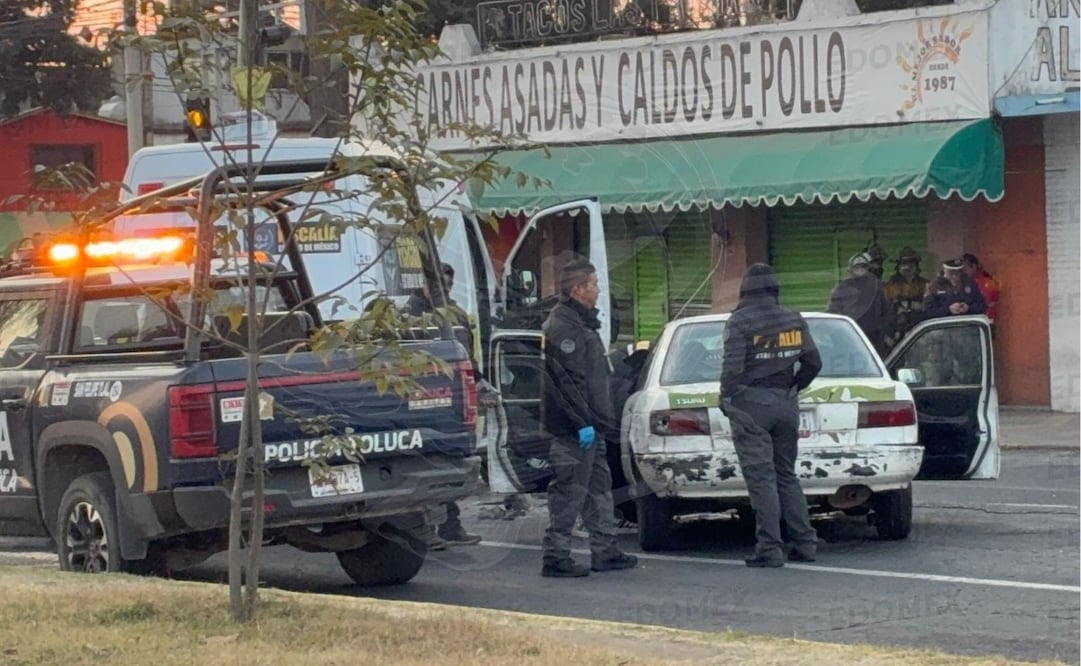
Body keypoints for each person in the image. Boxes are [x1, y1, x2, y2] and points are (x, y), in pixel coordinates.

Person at [540, 258, 638, 578]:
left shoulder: (581, 323)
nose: (598, 289)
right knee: (570, 491)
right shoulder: (563, 326)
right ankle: (556, 556)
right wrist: (581, 422)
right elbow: (565, 382)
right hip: (573, 428)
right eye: (594, 284)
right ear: (578, 288)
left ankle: (605, 550)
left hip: (591, 424)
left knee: (599, 489)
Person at [720, 263, 822, 568]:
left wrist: (726, 398)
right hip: (786, 403)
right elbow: (814, 363)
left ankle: (769, 547)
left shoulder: (739, 321)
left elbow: (732, 369)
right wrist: (792, 387)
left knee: (761, 478)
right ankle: (805, 543)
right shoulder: (793, 318)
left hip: (751, 404)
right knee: (786, 475)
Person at [407, 263, 482, 549]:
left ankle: (451, 525)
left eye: (448, 285)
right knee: (419, 466)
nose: (444, 290)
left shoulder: (456, 314)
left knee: (449, 464)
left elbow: (468, 357)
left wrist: (479, 384)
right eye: (438, 285)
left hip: (454, 401)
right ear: (425, 284)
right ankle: (421, 529)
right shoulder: (410, 317)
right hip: (420, 403)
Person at [827, 252, 891, 356]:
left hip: (874, 336)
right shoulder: (842, 288)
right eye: (857, 267)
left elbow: (887, 311)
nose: (860, 270)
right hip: (850, 335)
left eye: (863, 267)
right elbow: (832, 313)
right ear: (850, 270)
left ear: (868, 268)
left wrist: (886, 333)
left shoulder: (877, 286)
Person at [883, 246, 929, 351]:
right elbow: (887, 308)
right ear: (899, 266)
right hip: (896, 330)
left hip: (919, 328)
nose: (907, 267)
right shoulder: (891, 284)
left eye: (910, 263)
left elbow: (928, 306)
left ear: (916, 265)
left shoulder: (924, 284)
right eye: (904, 263)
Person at [922, 259, 986, 321]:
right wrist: (948, 309)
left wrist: (968, 308)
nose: (955, 276)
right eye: (951, 273)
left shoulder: (969, 283)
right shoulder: (934, 286)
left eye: (958, 273)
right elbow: (927, 311)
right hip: (943, 327)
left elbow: (982, 305)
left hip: (966, 325)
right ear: (945, 270)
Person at [961, 253, 1000, 326]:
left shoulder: (986, 283)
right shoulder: (965, 282)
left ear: (974, 267)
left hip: (985, 322)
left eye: (965, 268)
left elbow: (986, 304)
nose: (963, 272)